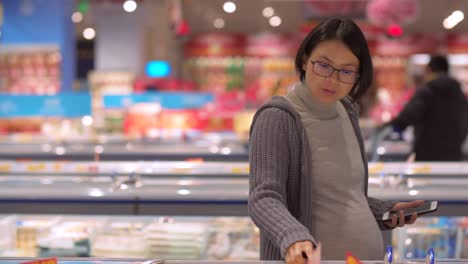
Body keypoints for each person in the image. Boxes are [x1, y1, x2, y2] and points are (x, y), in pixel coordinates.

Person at [248, 18, 424, 263]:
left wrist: (384, 211)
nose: (332, 79)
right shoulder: (277, 118)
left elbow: (343, 195)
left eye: (346, 71)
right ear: (304, 60)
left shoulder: (347, 111)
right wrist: (292, 236)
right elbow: (264, 197)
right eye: (323, 65)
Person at [388, 55, 468, 161]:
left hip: (427, 153)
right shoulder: (459, 93)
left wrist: (394, 125)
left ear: (429, 70)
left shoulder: (427, 91)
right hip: (454, 154)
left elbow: (409, 115)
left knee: (426, 178)